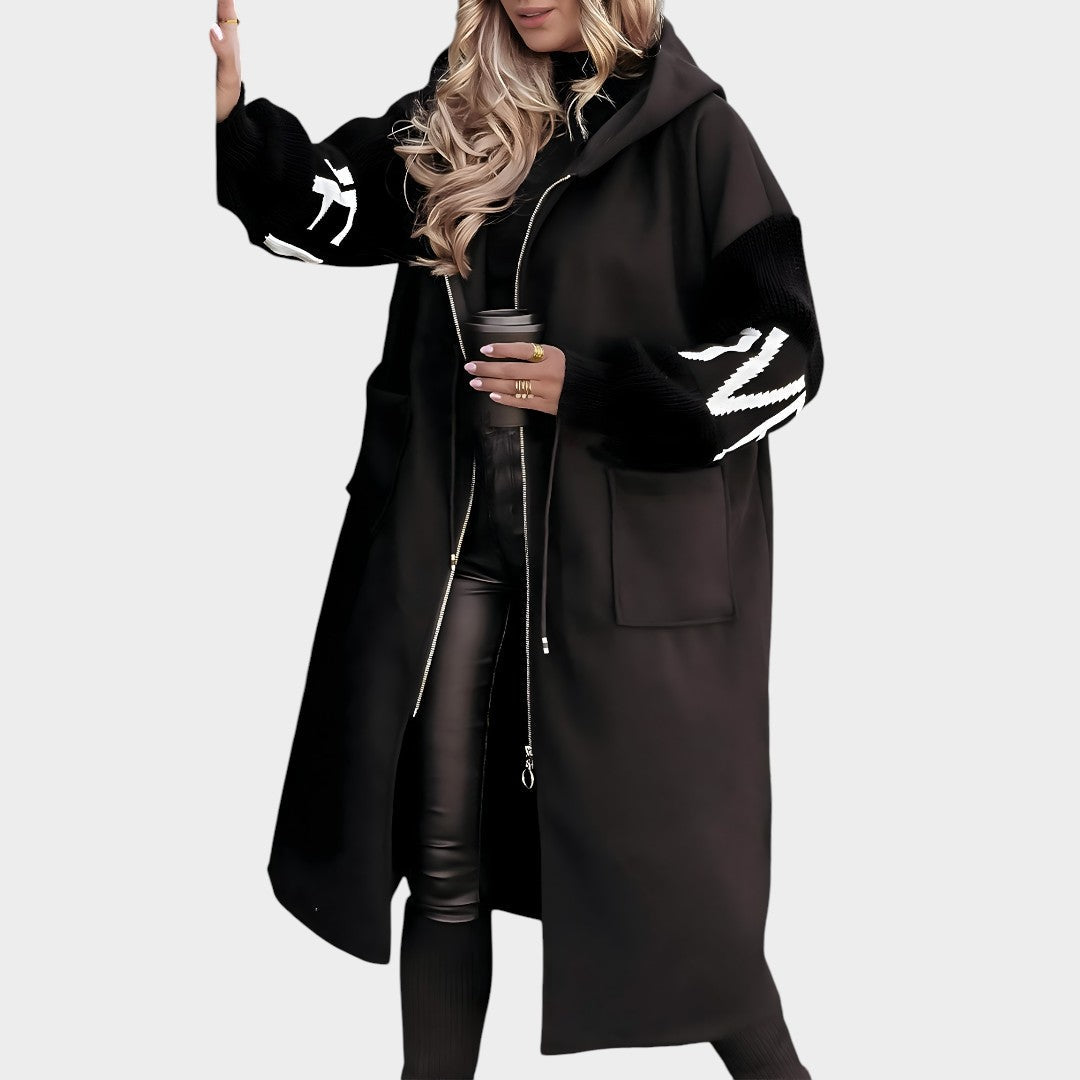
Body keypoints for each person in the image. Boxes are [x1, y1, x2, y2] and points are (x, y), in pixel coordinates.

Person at [211, 2, 823, 1077]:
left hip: (619, 575)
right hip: (455, 550)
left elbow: (787, 356)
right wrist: (227, 127)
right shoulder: (461, 109)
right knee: (443, 860)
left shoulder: (699, 136)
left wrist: (603, 388)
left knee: (689, 897)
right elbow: (331, 210)